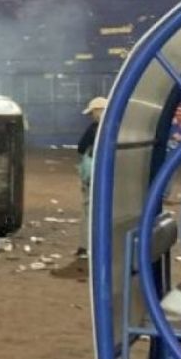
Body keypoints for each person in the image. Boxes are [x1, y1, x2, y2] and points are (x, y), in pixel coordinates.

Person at [76, 96, 107, 259]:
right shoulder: (117, 127)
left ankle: (85, 247)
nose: (91, 116)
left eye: (92, 112)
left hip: (93, 173)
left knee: (89, 209)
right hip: (110, 175)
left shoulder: (94, 129)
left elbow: (81, 148)